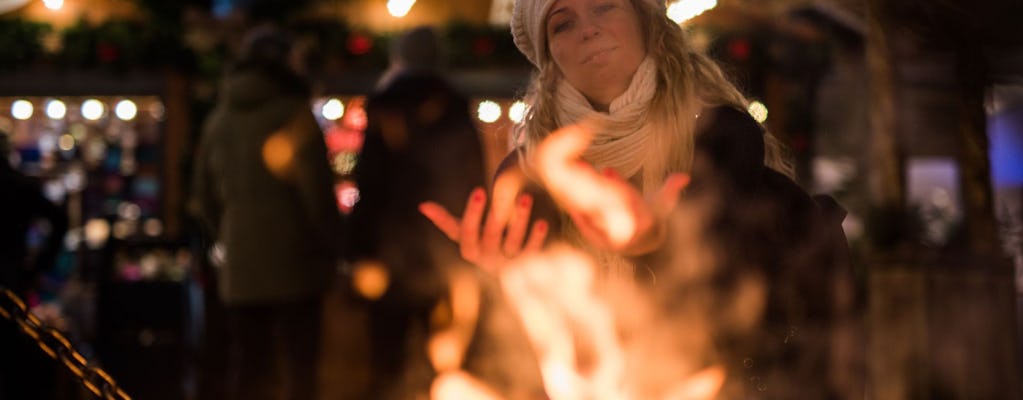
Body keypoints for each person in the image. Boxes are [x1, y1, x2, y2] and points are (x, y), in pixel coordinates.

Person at [419, 0, 862, 398]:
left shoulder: (720, 144)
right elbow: (511, 360)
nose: (588, 29)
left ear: (646, 21)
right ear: (550, 58)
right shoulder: (528, 179)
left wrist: (660, 243)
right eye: (562, 23)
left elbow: (775, 312)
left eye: (604, 7)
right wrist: (493, 286)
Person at [347, 26, 546, 399]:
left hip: (391, 255)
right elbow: (472, 185)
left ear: (400, 58)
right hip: (444, 256)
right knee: (445, 360)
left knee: (386, 360)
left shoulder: (383, 106)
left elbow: (369, 186)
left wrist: (360, 252)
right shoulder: (453, 106)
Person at [190, 26, 342, 400]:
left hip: (241, 269)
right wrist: (334, 250)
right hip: (296, 267)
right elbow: (318, 199)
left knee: (250, 365)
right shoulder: (293, 115)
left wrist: (230, 235)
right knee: (299, 371)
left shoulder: (219, 120)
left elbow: (203, 197)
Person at [0, 133, 68, 300]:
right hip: (12, 273)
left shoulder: (20, 185)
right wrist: (42, 264)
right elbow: (60, 219)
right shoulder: (21, 185)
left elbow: (59, 220)